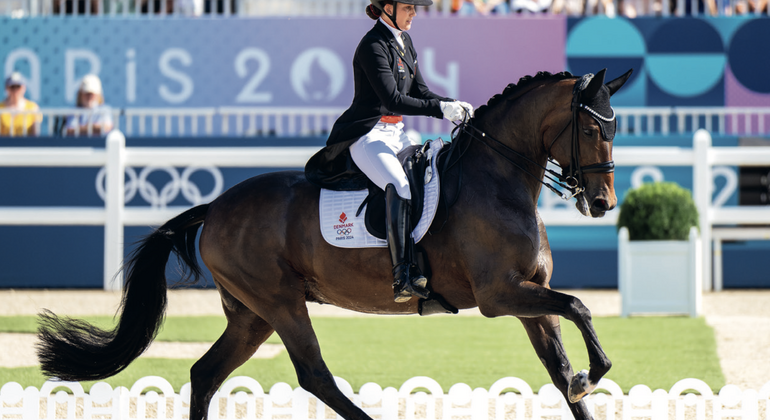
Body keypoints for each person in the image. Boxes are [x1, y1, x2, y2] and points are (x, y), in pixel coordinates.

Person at [304, 0, 474, 303]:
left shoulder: (404, 41)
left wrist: (452, 105)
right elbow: (393, 99)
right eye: (408, 7)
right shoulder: (372, 45)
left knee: (429, 179)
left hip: (396, 133)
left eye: (414, 8)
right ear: (386, 8)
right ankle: (403, 274)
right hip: (368, 135)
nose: (414, 14)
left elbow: (419, 91)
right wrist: (440, 109)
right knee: (400, 185)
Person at [0, 72, 41, 137]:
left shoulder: (32, 107)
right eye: (12, 87)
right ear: (7, 88)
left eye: (18, 87)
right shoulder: (1, 107)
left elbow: (35, 134)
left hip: (26, 145)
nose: (15, 90)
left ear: (23, 88)